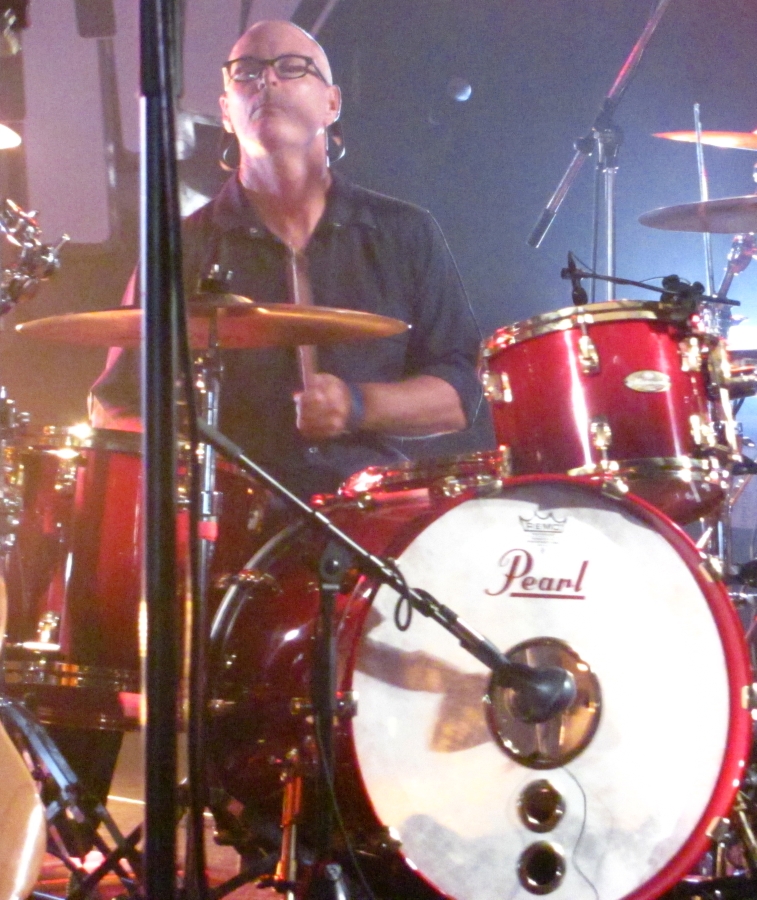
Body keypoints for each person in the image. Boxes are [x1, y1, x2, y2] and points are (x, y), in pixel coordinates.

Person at [90, 18, 484, 500]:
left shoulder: (405, 233)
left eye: (292, 67)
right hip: (234, 513)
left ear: (332, 103)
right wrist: (196, 470)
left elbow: (459, 395)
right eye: (247, 71)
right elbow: (116, 407)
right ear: (225, 111)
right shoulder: (177, 250)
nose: (267, 80)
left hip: (373, 510)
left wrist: (356, 405)